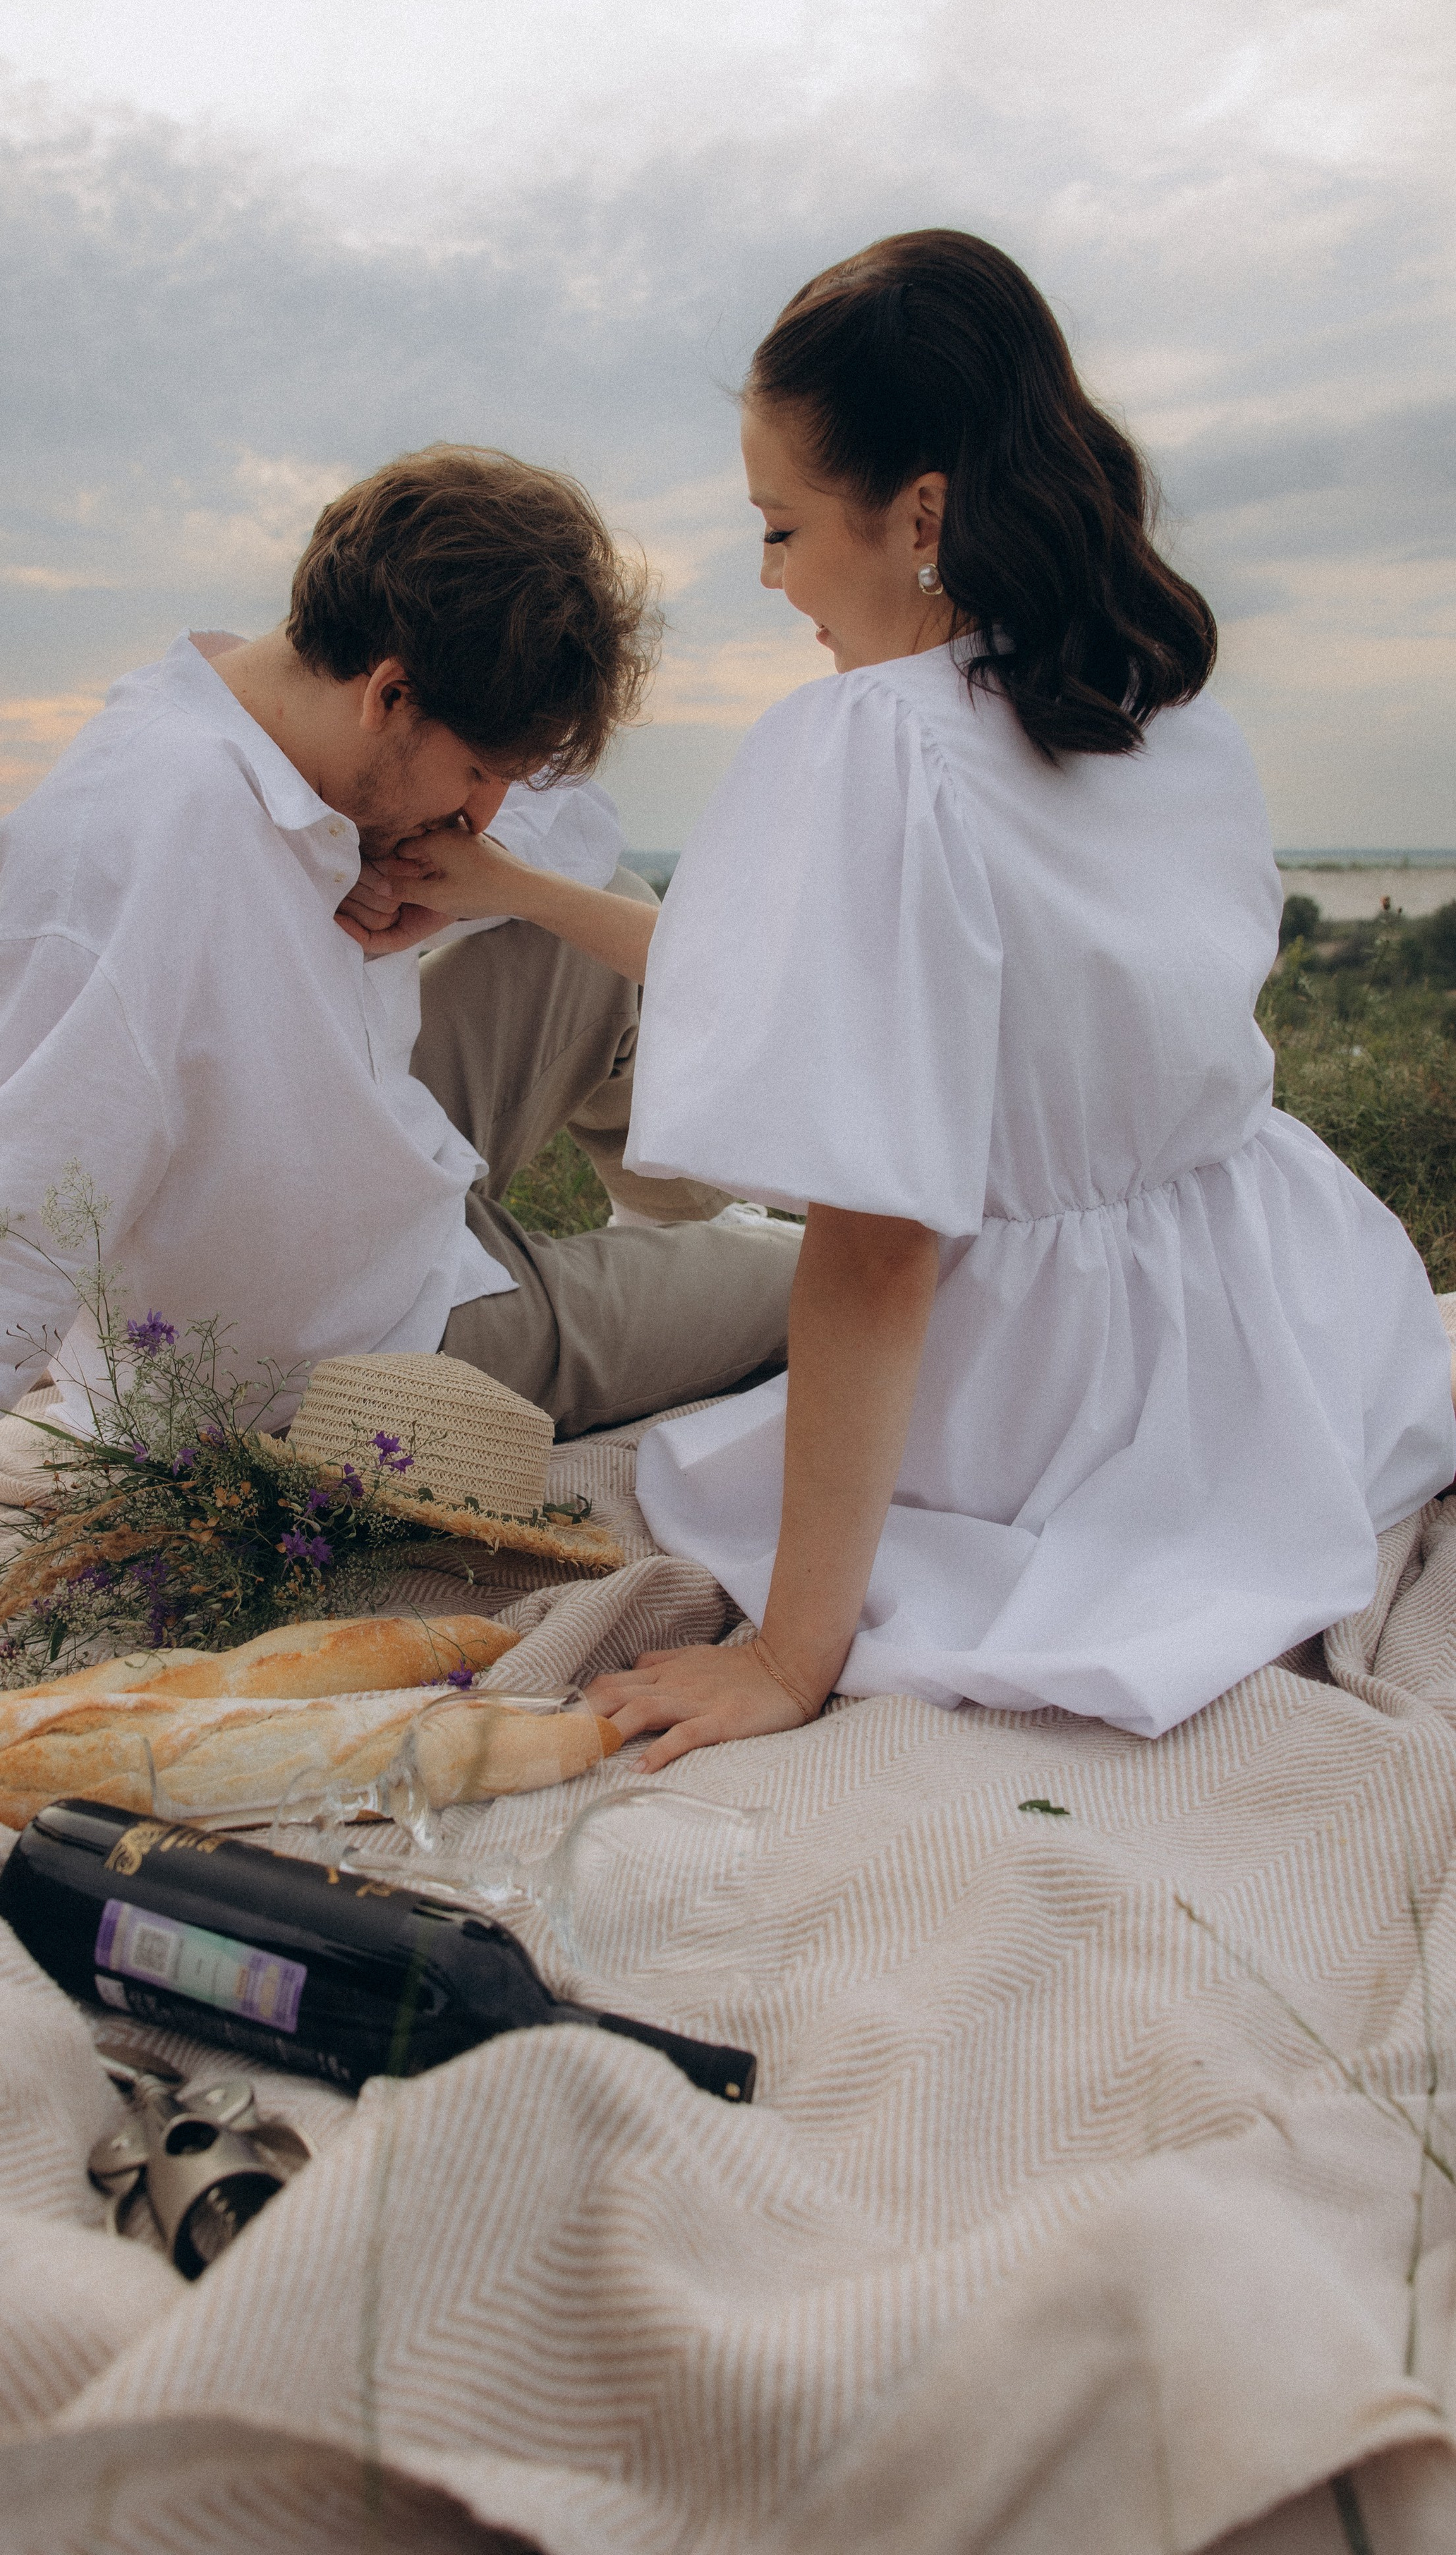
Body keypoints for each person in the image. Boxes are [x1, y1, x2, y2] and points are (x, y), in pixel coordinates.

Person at [574, 229, 1455, 1766]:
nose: (771, 578)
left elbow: (878, 1243)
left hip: (1059, 1394)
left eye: (777, 527)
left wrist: (790, 1654)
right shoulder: (1168, 720)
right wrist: (516, 894)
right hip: (1297, 1322)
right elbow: (797, 975)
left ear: (917, 513)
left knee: (738, 1484)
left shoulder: (872, 749)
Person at [0, 447, 797, 1622]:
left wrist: (461, 885)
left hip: (384, 1175)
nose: (484, 810)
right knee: (812, 1272)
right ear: (390, 694)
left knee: (589, 926)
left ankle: (666, 1228)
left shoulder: (274, 720)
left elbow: (576, 824)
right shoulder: (132, 850)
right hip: (358, 1345)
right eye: (476, 773)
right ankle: (698, 1266)